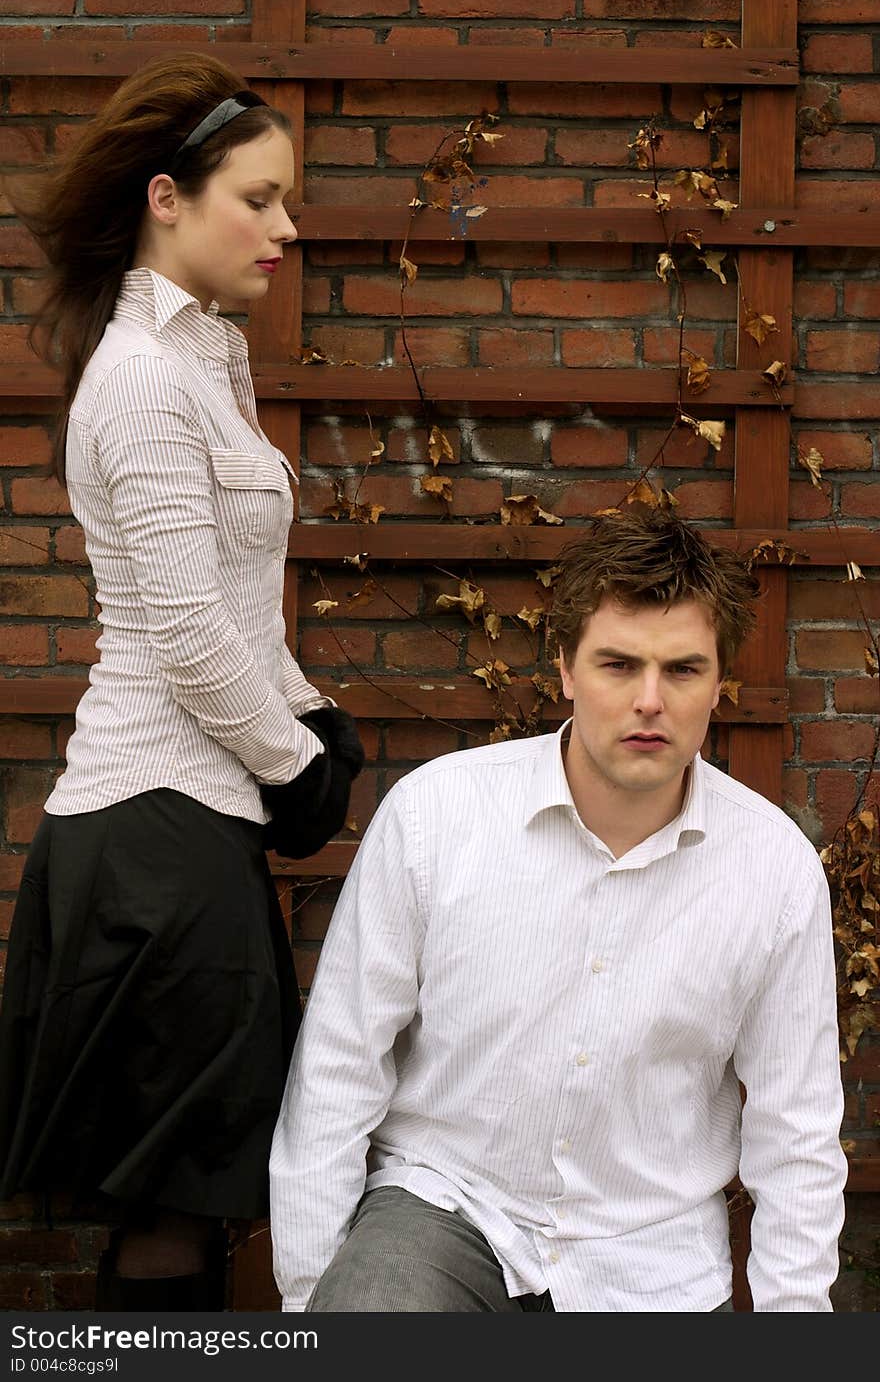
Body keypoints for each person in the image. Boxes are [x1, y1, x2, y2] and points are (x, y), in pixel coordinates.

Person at [270, 507, 848, 1313]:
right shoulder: (438, 816)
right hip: (446, 1211)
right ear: (567, 670)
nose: (650, 700)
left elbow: (797, 1131)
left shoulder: (774, 869)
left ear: (719, 682)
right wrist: (314, 1300)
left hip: (652, 1258)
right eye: (619, 665)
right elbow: (338, 1064)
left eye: (682, 670)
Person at [0, 52, 361, 1312]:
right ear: (169, 197)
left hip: (191, 823)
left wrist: (308, 709)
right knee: (174, 1212)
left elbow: (235, 604)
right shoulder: (144, 379)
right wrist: (294, 761)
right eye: (257, 198)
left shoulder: (205, 355)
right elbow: (186, 632)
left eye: (286, 200)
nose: (285, 226)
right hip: (151, 834)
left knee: (191, 1206)